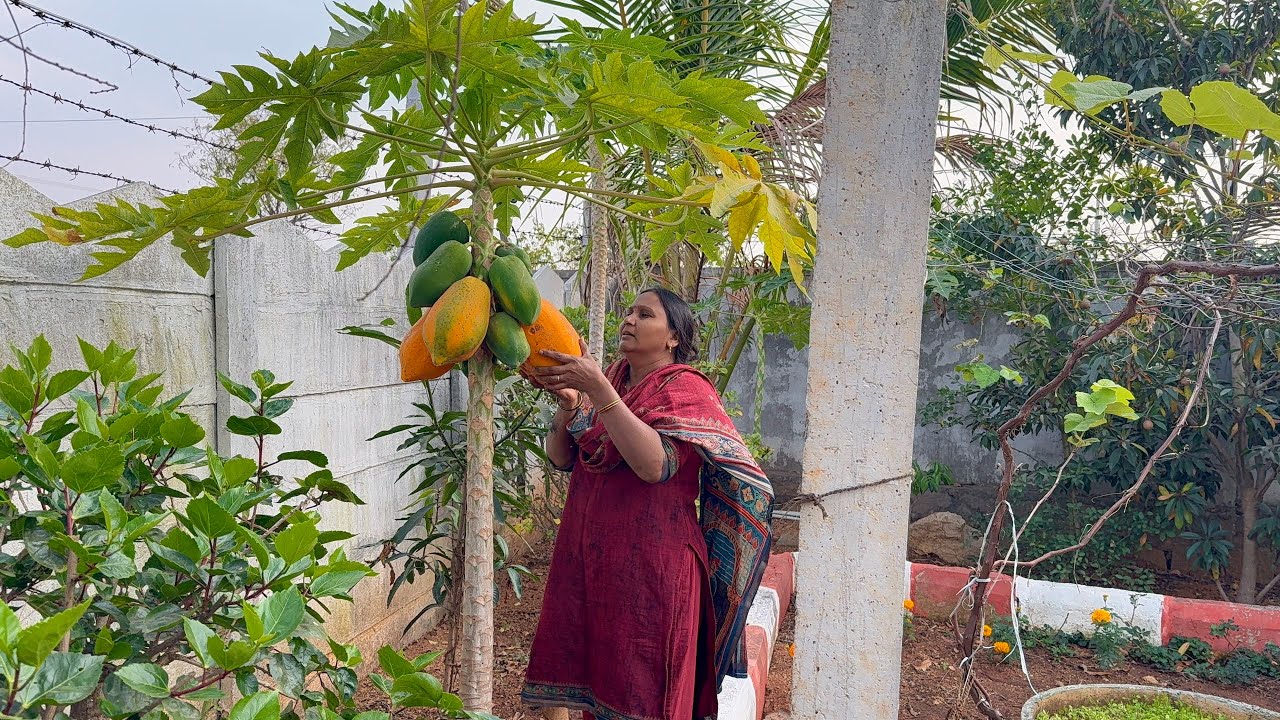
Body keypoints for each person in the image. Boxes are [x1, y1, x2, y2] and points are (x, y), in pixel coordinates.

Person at [520, 288, 774, 720]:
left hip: (654, 571)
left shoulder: (686, 390)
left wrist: (597, 391)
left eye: (645, 314)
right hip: (593, 562)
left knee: (643, 691)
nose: (629, 320)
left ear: (673, 337)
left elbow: (654, 466)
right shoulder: (613, 380)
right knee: (590, 679)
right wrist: (569, 404)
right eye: (629, 312)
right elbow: (562, 457)